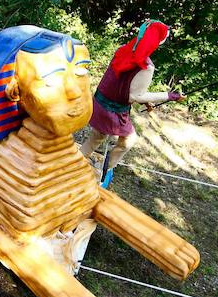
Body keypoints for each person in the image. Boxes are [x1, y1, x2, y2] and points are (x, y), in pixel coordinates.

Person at [79, 20, 185, 187]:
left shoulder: (124, 49)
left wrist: (147, 101)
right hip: (113, 110)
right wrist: (169, 96)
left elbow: (123, 85)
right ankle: (107, 168)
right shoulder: (146, 66)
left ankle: (76, 160)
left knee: (97, 136)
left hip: (100, 100)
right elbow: (134, 95)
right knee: (128, 140)